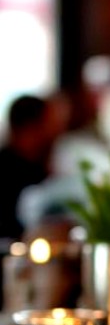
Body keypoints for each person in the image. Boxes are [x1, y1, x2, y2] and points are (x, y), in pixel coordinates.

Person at [0, 94, 61, 241]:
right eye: (50, 124)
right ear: (30, 127)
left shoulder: (40, 170)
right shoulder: (7, 171)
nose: (55, 131)